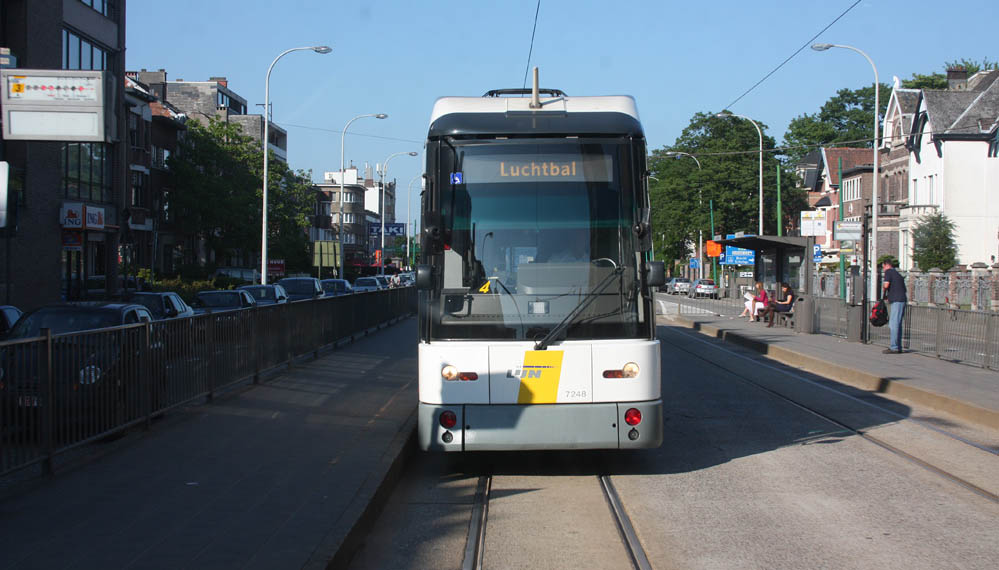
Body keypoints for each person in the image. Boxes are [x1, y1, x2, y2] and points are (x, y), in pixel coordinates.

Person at [882, 259, 908, 354]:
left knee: (893, 324)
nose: (883, 269)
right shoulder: (897, 274)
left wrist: (884, 293)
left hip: (897, 301)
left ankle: (894, 347)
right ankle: (898, 346)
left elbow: (886, 285)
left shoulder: (889, 272)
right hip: (901, 300)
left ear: (886, 265)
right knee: (897, 324)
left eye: (883, 266)